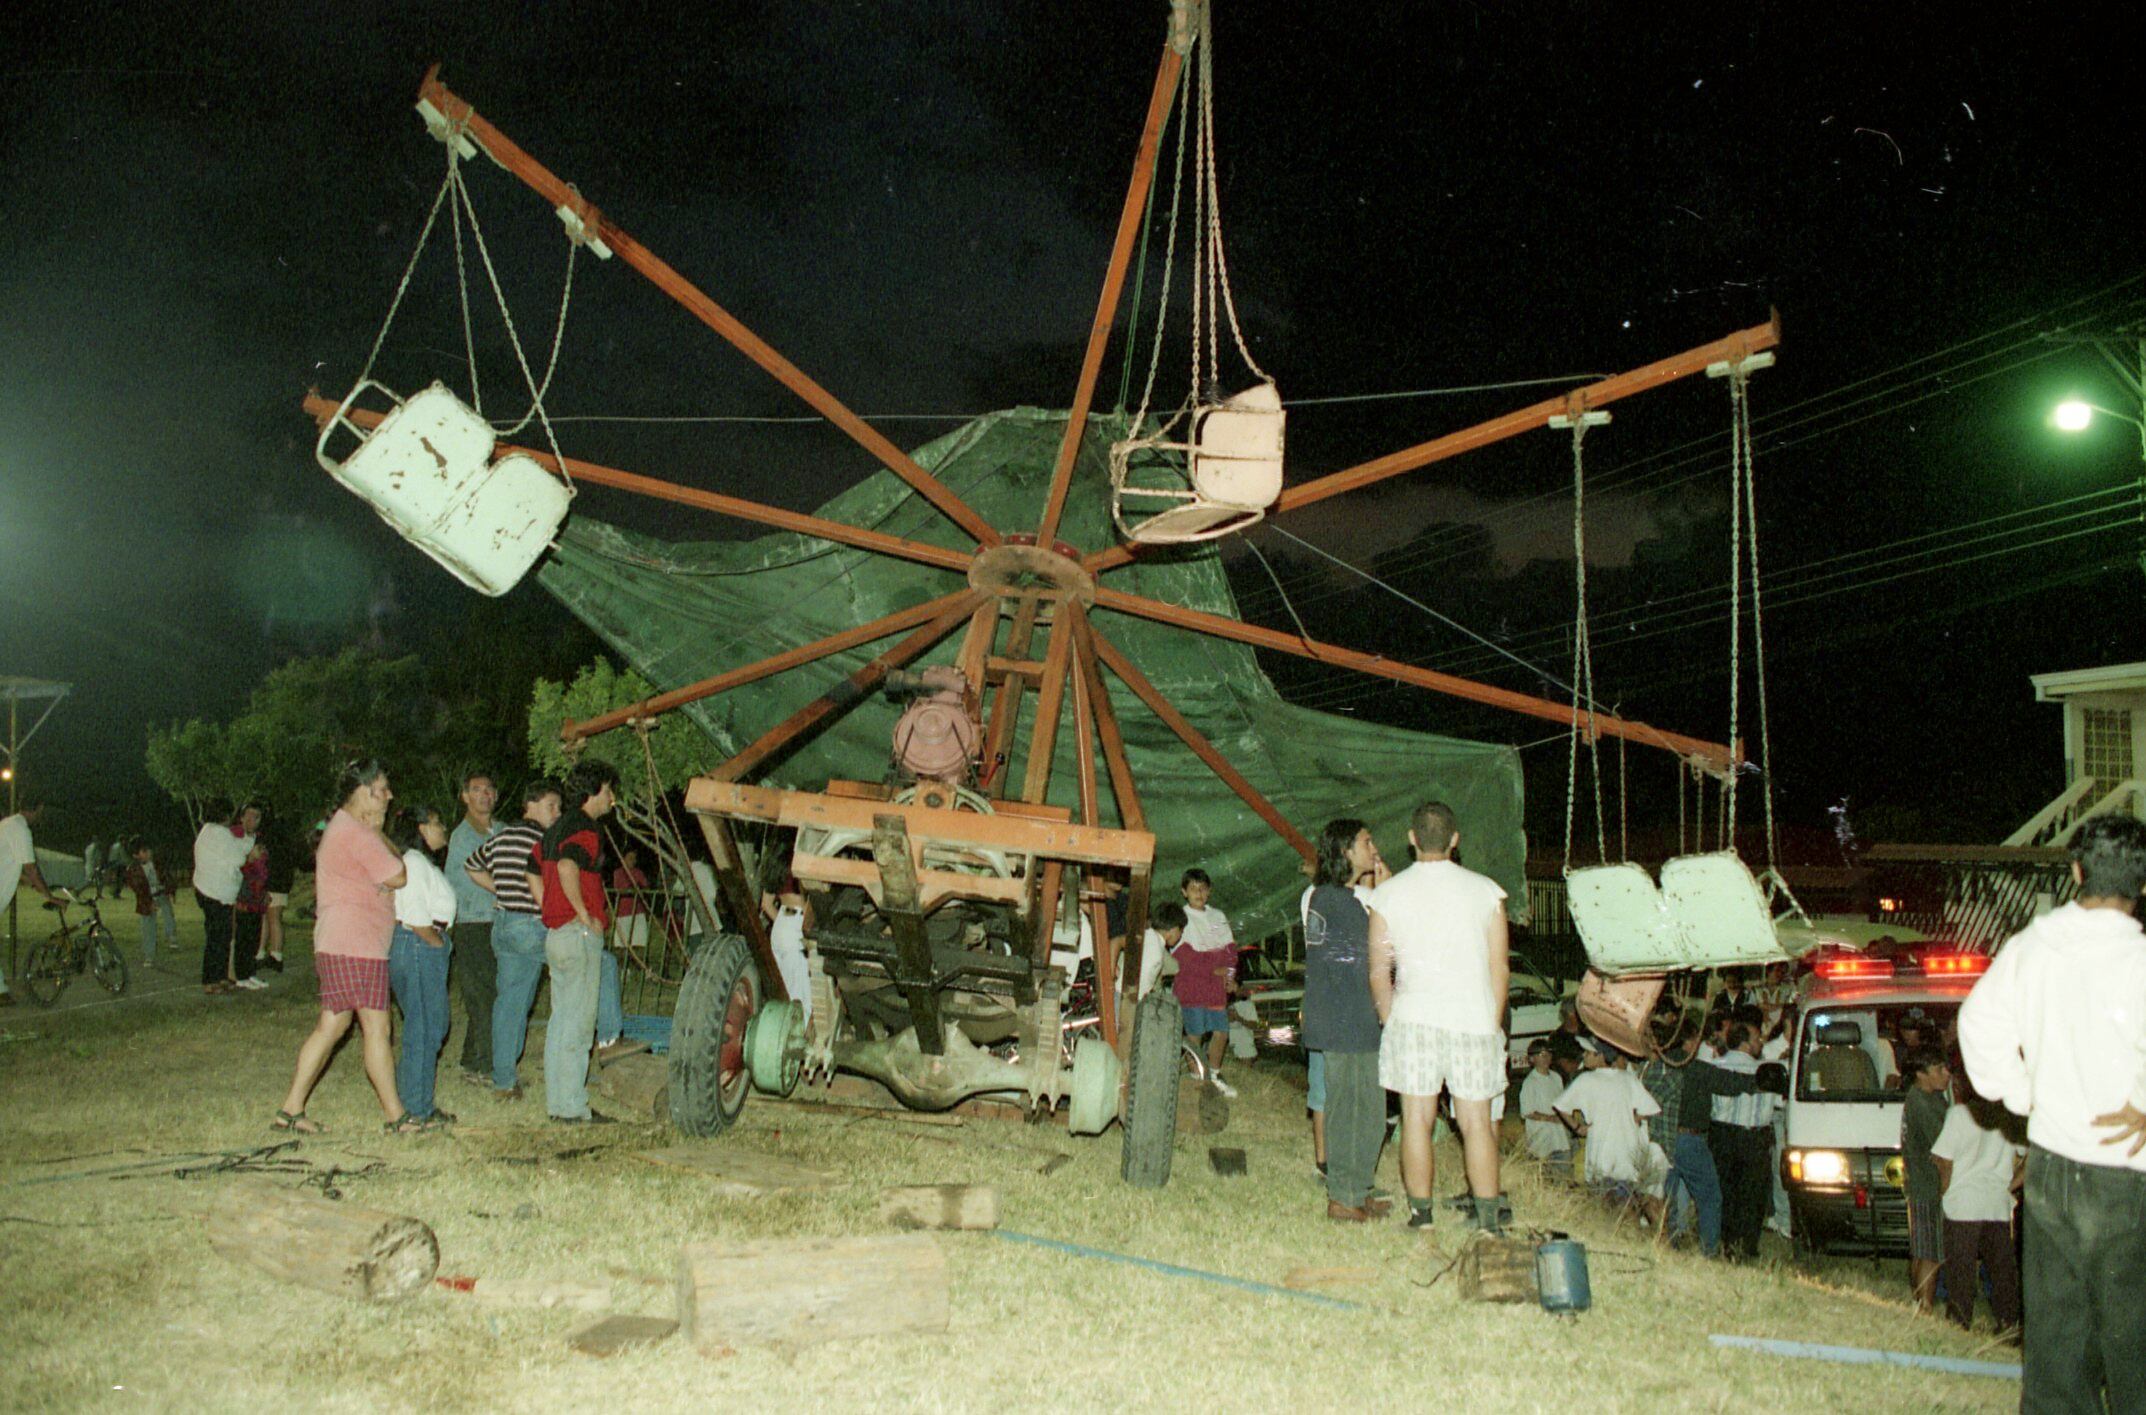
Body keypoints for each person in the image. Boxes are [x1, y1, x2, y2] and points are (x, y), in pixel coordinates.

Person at [1960, 813, 2146, 1408]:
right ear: (2143, 885)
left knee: (2056, 1346)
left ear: (2076, 872)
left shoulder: (2032, 946)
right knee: (2134, 1346)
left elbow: (1977, 1023)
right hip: (2130, 1176)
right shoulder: (2138, 960)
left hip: (2052, 1169)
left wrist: (2024, 1095)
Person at [1368, 800, 1509, 1233]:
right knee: (1476, 1122)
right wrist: (1491, 1023)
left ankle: (1422, 1217)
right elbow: (1499, 967)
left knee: (1416, 1119)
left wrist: (1390, 1019)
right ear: (1455, 840)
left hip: (1413, 1019)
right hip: (1474, 1020)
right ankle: (1488, 1222)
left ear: (1412, 839)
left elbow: (1379, 970)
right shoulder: (1487, 892)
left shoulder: (1387, 895)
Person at [274, 761, 428, 1135]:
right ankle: (396, 1117)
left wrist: (377, 832)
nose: (390, 795)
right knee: (376, 1027)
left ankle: (290, 1110)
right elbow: (399, 874)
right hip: (356, 944)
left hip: (344, 942)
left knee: (333, 1024)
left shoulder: (348, 828)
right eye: (383, 788)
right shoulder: (355, 832)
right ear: (362, 791)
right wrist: (377, 834)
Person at [1302, 819, 1390, 1223]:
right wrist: (1385, 897)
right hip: (1347, 1020)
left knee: (1368, 1110)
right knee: (1350, 1111)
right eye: (1366, 842)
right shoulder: (1335, 900)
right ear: (1345, 851)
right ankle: (1342, 1197)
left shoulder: (1337, 897)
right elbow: (1375, 951)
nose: (1374, 848)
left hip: (1353, 1018)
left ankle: (1357, 1188)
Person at [467, 778, 561, 1100]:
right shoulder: (543, 839)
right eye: (551, 806)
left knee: (510, 1005)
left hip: (504, 925)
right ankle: (607, 1039)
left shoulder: (502, 836)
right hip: (530, 926)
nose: (557, 813)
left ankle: (504, 1082)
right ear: (530, 805)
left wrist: (502, 890)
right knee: (590, 963)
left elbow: (472, 866)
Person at [539, 762, 620, 1124]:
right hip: (577, 934)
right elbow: (567, 867)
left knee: (561, 1022)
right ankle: (572, 1107)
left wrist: (553, 908)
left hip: (557, 934)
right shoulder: (587, 829)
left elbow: (535, 869)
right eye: (608, 790)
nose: (612, 798)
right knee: (579, 1025)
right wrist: (583, 914)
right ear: (594, 790)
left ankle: (559, 1103)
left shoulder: (555, 828)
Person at [1930, 1088, 2025, 1335]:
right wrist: (2009, 1186)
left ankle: (1959, 1325)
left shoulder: (1959, 1114)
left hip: (1963, 1205)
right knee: (2002, 1272)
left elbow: (1944, 1159)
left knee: (1961, 1271)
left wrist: (1943, 1190)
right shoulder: (2009, 1117)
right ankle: (2008, 1325)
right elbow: (2031, 1158)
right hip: (1997, 1204)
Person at [387, 806, 458, 1127]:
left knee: (430, 1024)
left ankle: (412, 1097)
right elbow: (416, 914)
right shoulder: (414, 862)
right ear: (421, 828)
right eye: (437, 823)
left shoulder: (419, 862)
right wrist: (435, 943)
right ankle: (417, 1108)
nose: (443, 828)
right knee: (426, 1026)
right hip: (419, 943)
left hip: (419, 944)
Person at [1554, 1045, 1668, 1228]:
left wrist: (1578, 1128)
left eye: (1588, 1052)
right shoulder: (1627, 1078)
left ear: (1600, 1055)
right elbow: (1650, 1108)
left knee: (1607, 1212)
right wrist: (1634, 1118)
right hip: (1627, 1159)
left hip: (1601, 1158)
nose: (1584, 1055)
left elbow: (1561, 1106)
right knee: (1628, 1208)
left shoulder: (1586, 1080)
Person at [445, 772, 501, 1088]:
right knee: (482, 995)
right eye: (476, 790)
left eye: (489, 789)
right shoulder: (462, 837)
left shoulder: (502, 830)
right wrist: (503, 890)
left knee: (494, 992)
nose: (484, 794)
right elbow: (461, 881)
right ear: (465, 797)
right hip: (474, 922)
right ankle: (485, 1065)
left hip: (501, 921)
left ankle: (473, 1060)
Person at [1707, 1019, 1780, 1260]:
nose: (1761, 1043)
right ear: (1746, 1044)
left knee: (1725, 1191)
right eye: (1757, 1039)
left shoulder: (1715, 1066)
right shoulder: (1766, 1071)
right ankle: (1747, 1247)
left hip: (1723, 1136)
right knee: (1752, 1195)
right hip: (1755, 1138)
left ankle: (1726, 1243)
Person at [1171, 868, 1239, 1099]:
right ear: (1184, 892)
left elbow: (1230, 951)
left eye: (1203, 888)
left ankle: (1214, 1075)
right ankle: (1197, 1079)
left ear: (1209, 891)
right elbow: (1183, 956)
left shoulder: (1217, 916)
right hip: (1191, 985)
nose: (1198, 893)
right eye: (1193, 888)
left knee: (1221, 1031)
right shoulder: (1181, 918)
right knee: (1195, 1034)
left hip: (1215, 987)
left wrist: (1229, 977)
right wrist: (1213, 967)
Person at [1898, 1047, 1953, 1310]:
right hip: (1928, 1185)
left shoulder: (1929, 1097)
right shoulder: (1922, 1103)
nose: (1946, 1073)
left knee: (1923, 1249)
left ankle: (1920, 1302)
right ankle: (1925, 1307)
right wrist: (1945, 1186)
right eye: (1938, 1069)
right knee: (1930, 1253)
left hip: (1921, 1183)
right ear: (1921, 1074)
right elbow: (1943, 1151)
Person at [192, 802, 259, 996]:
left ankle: (220, 977)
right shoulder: (219, 833)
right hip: (215, 893)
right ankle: (210, 980)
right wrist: (250, 854)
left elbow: (236, 847)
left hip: (210, 891)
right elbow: (238, 857)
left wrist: (249, 837)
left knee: (222, 937)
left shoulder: (209, 831)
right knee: (217, 938)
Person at [0, 803, 54, 1006]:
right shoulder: (21, 830)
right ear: (37, 809)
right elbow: (31, 868)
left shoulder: (7, 824)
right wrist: (49, 896)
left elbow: (15, 865)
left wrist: (31, 884)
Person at [123, 837, 178, 969]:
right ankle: (149, 955)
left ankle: (171, 936)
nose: (148, 853)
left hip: (161, 892)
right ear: (136, 855)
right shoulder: (132, 870)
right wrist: (149, 903)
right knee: (148, 926)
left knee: (168, 913)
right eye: (144, 851)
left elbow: (167, 876)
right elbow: (139, 890)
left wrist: (171, 890)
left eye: (148, 850)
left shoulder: (157, 863)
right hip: (146, 898)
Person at [1521, 1038, 1574, 1169]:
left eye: (1548, 1054)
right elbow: (1527, 1112)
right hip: (1542, 1139)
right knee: (1545, 1171)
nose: (1546, 1058)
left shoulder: (1556, 1077)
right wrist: (1550, 1118)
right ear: (1532, 1059)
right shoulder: (1530, 1082)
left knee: (1564, 1169)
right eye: (1541, 1055)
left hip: (1559, 1136)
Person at [257, 809, 298, 973]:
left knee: (272, 919)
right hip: (281, 884)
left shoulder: (271, 842)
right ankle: (266, 953)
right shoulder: (287, 844)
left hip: (273, 884)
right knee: (270, 919)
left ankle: (275, 954)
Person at [231, 836, 271, 991]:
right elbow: (246, 889)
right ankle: (242, 977)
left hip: (256, 908)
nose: (262, 851)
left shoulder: (261, 866)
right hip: (245, 908)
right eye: (258, 848)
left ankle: (250, 973)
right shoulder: (245, 867)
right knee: (244, 943)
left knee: (253, 942)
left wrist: (263, 896)